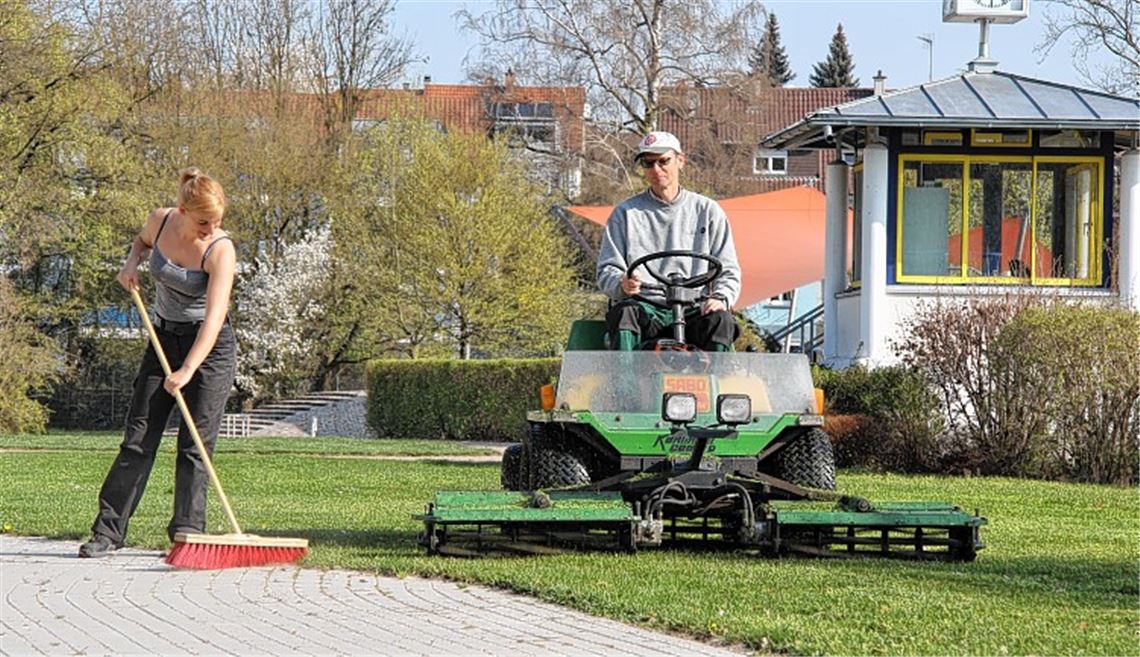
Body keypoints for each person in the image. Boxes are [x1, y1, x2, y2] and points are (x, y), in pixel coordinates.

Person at [79, 168, 237, 558]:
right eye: (204, 221)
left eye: (216, 221)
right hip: (163, 338)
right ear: (182, 210)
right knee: (138, 439)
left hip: (209, 349)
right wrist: (131, 264)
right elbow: (141, 242)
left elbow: (215, 319)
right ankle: (107, 533)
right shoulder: (160, 219)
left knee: (194, 446)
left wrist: (187, 371)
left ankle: (188, 536)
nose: (211, 228)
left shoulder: (221, 249)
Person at [596, 131, 742, 351]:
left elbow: (728, 270)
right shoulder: (626, 214)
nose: (656, 169)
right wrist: (622, 283)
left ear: (680, 161)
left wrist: (721, 298)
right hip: (646, 308)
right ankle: (624, 384)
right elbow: (607, 270)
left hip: (694, 308)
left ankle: (717, 382)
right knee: (624, 313)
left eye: (664, 161)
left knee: (721, 321)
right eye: (648, 163)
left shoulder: (707, 211)